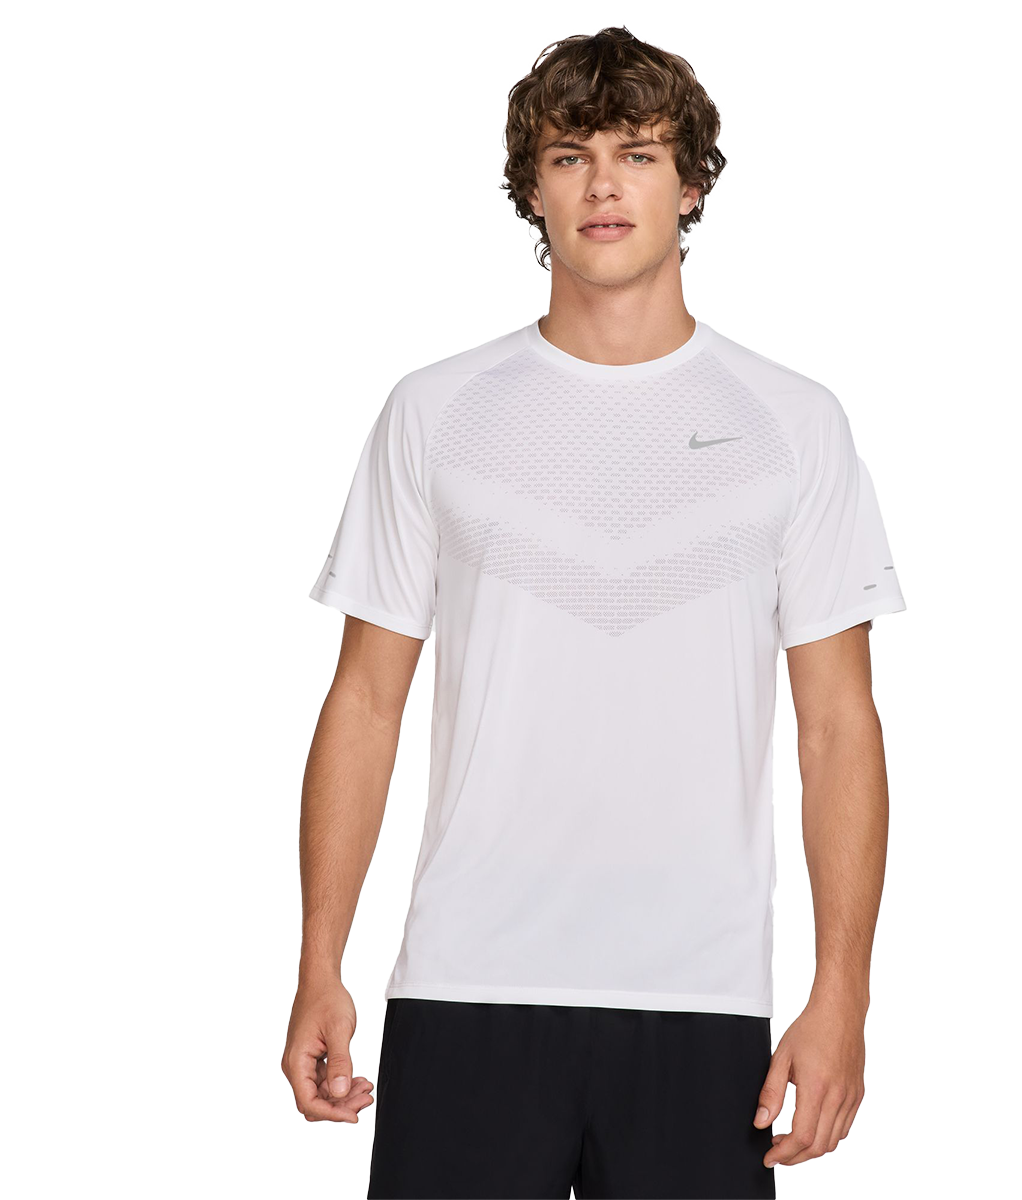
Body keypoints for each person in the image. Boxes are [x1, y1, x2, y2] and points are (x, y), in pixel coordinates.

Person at [282, 24, 905, 1199]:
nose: (604, 185)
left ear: (692, 183)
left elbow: (838, 727)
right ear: (532, 188)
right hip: (466, 984)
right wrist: (320, 961)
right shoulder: (436, 410)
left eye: (638, 154)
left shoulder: (793, 424)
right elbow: (364, 701)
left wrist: (843, 995)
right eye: (571, 156)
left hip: (703, 998)